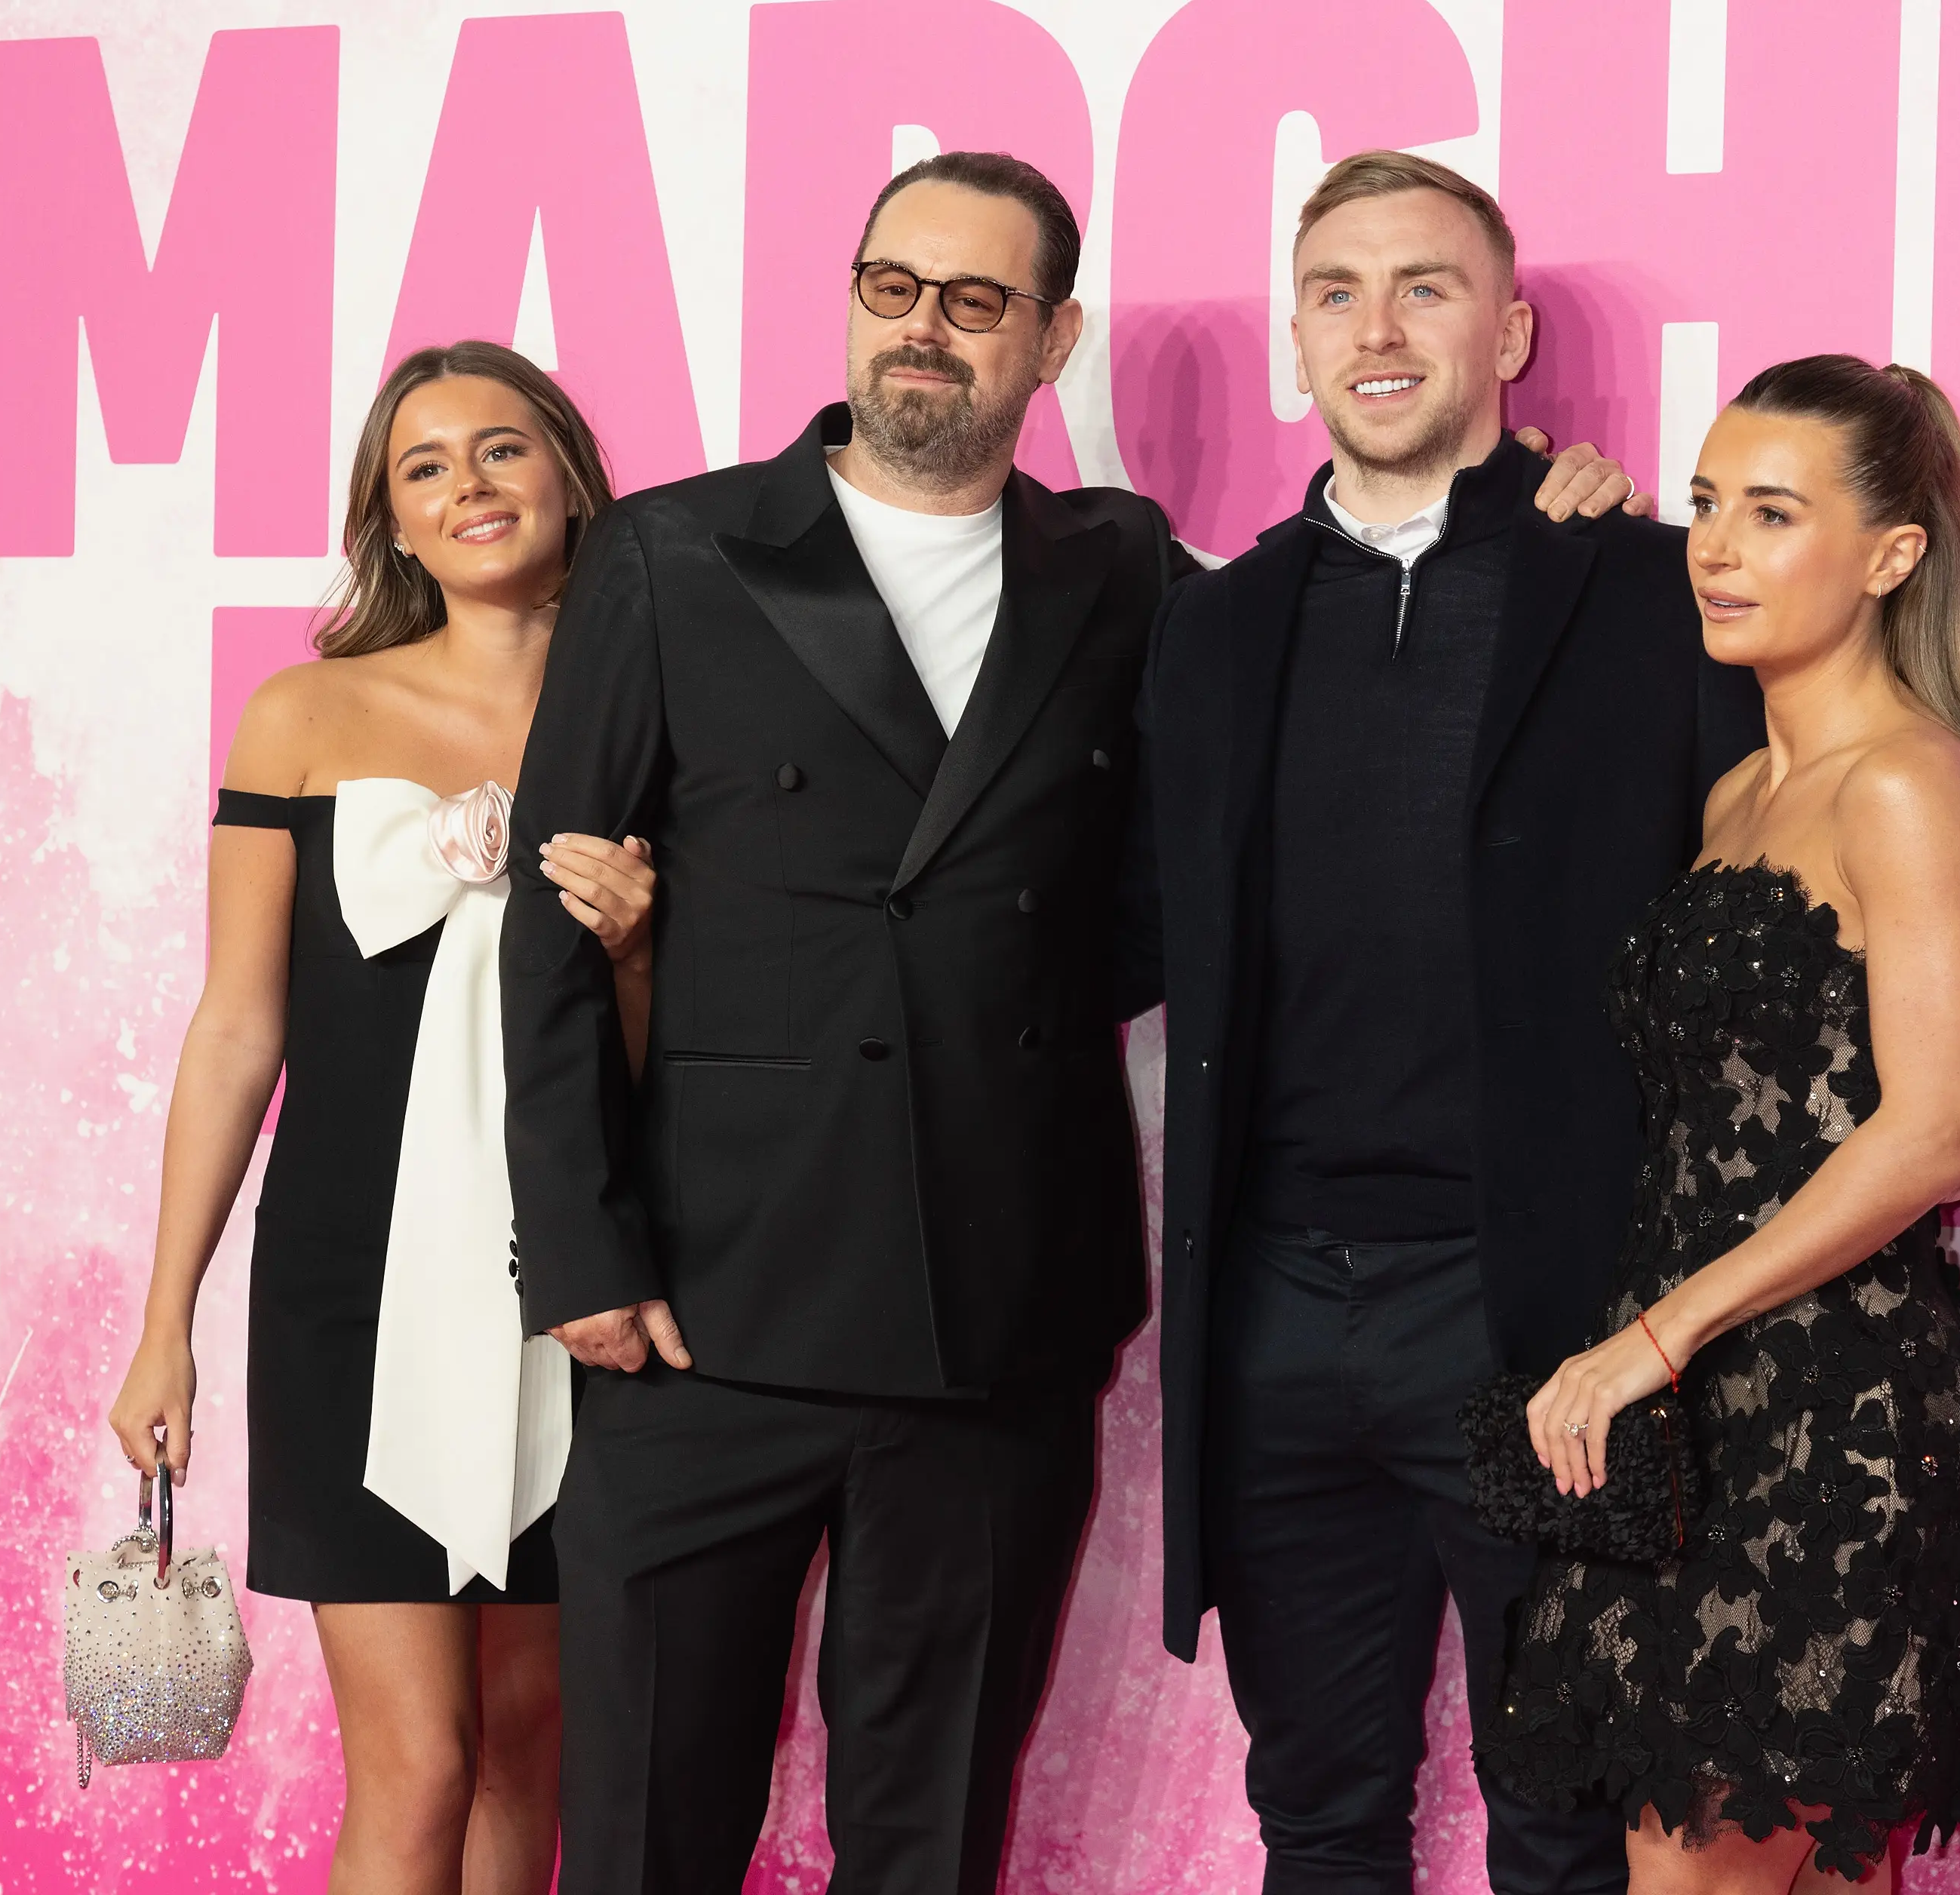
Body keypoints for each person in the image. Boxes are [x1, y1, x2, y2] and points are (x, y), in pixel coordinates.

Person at [501, 148, 1639, 1895]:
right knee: (646, 1822)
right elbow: (559, 910)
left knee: (929, 1830)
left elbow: (1151, 906)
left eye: (975, 301)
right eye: (894, 288)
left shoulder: (1137, 581)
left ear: (1053, 337)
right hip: (701, 1304)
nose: (923, 335)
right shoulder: (671, 551)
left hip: (993, 1309)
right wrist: (582, 1246)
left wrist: (1556, 517)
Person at [1117, 150, 1769, 1895]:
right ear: (1297, 338)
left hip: (1537, 1314)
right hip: (1271, 1309)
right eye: (1334, 289)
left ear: (1509, 331)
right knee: (1317, 1812)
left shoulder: (1641, 586)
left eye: (1423, 285)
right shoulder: (1215, 622)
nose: (1376, 326)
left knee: (1569, 1818)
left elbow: (1753, 938)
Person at [1480, 355, 1960, 1890]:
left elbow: (1938, 1130)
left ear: (1889, 556)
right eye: (1700, 505)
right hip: (1700, 1433)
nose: (1716, 546)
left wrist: (1651, 1339)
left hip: (1835, 1419)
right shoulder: (1743, 789)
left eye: (1768, 510)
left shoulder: (1906, 783)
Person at [107, 339, 659, 1893]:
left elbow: (684, 1049)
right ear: (391, 523)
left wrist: (635, 944)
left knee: (530, 1735)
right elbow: (237, 1028)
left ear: (565, 473)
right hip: (350, 1284)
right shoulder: (302, 715)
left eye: (501, 449)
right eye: (426, 466)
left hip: (582, 1277)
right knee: (416, 1763)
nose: (470, 485)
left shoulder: (655, 713)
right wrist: (169, 1321)